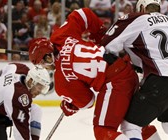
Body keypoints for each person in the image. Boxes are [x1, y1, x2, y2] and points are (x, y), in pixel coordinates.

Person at [28, 8, 159, 140]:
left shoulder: (61, 82)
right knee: (136, 124)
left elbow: (88, 102)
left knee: (103, 131)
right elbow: (83, 14)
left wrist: (73, 105)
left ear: (48, 58)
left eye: (42, 63)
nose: (45, 67)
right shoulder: (60, 36)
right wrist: (101, 36)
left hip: (115, 83)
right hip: (127, 68)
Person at [101, 0, 168, 139]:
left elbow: (106, 45)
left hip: (162, 79)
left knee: (130, 126)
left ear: (142, 7)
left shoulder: (137, 18)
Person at [0, 63, 51, 140]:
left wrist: (1, 87)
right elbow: (20, 131)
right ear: (31, 81)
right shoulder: (19, 95)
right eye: (39, 87)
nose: (40, 91)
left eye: (43, 88)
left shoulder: (19, 68)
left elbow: (7, 68)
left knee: (36, 109)